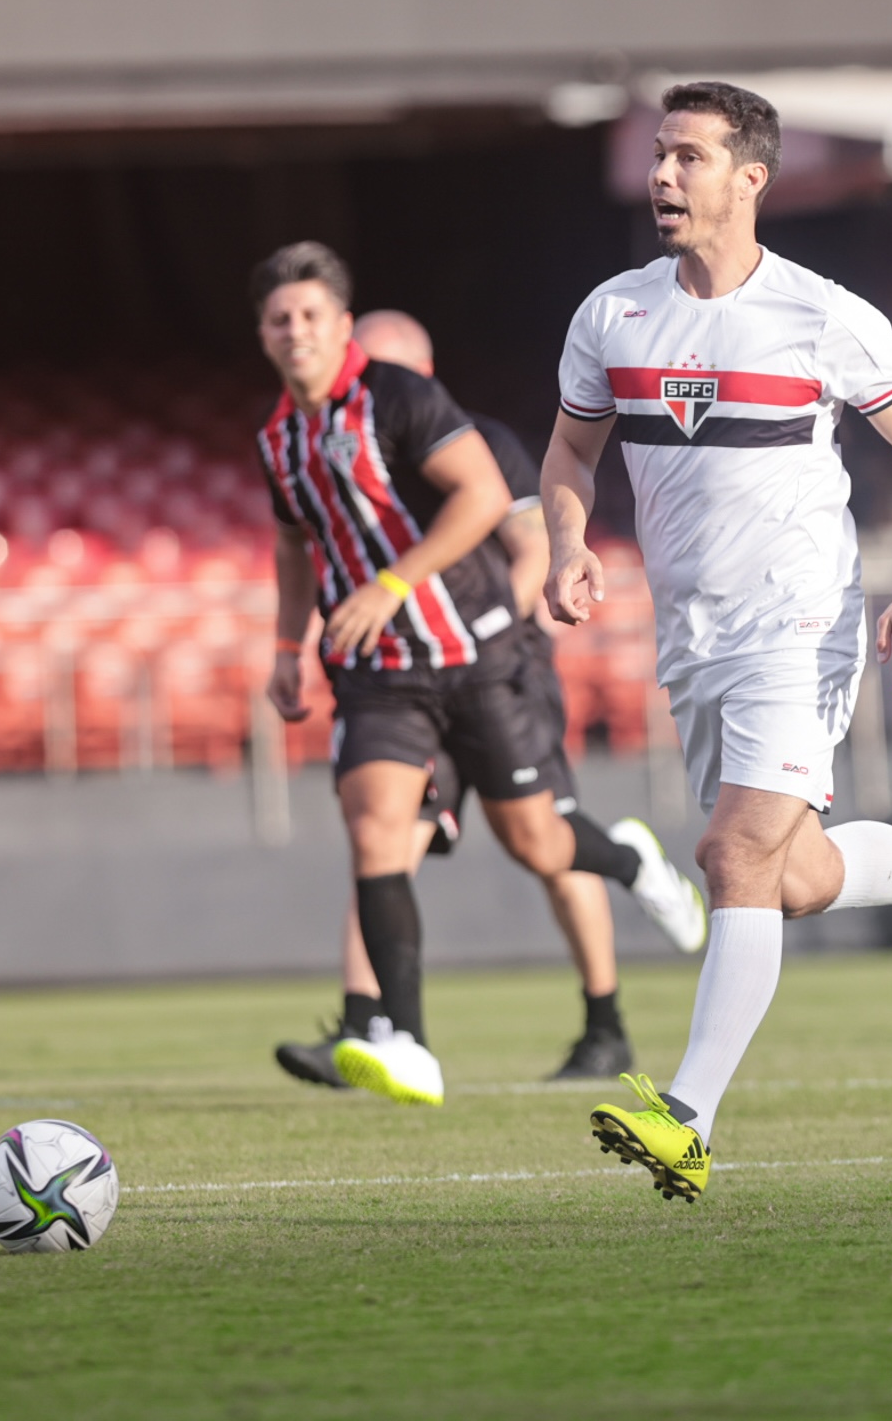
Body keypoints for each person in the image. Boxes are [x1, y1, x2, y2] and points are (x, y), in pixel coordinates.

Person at [540, 82, 892, 1204]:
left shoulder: (824, 315)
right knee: (792, 874)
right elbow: (569, 458)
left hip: (801, 625)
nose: (663, 178)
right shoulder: (612, 315)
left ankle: (687, 1117)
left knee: (733, 858)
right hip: (692, 637)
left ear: (751, 180)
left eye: (688, 158)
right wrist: (567, 544)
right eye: (661, 158)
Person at [255, 242, 705, 1108]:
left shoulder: (407, 401)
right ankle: (402, 1037)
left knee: (539, 842)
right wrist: (285, 647)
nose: (294, 331)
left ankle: (631, 862)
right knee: (377, 831)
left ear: (341, 327)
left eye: (310, 315)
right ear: (264, 335)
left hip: (481, 657)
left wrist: (394, 585)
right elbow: (290, 540)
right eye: (279, 319)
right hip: (380, 673)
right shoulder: (279, 436)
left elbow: (491, 504)